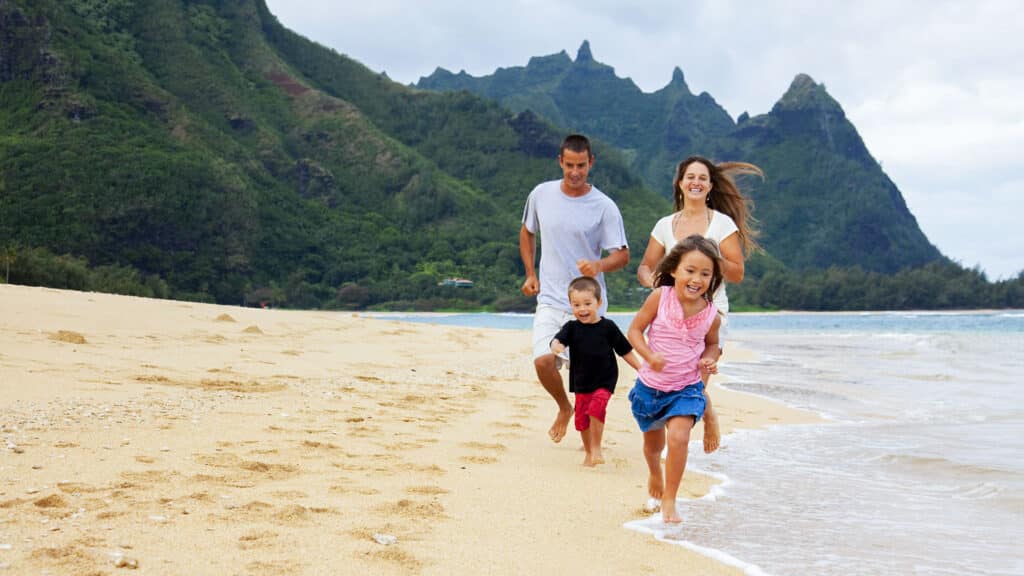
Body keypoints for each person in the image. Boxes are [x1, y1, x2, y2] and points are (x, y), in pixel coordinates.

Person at [636, 155, 762, 454]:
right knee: (672, 377)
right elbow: (645, 266)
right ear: (680, 184)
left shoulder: (721, 224)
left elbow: (738, 272)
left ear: (709, 186)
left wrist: (702, 257)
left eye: (702, 178)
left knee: (694, 381)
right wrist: (653, 281)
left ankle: (701, 420)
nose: (696, 182)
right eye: (690, 177)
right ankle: (701, 415)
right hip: (670, 314)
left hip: (710, 312)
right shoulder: (665, 225)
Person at [520, 133, 630, 443]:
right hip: (552, 300)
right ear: (560, 161)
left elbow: (622, 255)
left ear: (591, 162)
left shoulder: (604, 206)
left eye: (581, 165)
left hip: (589, 305)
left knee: (590, 383)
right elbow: (527, 232)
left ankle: (591, 448)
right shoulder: (541, 195)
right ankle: (563, 408)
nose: (575, 172)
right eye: (569, 165)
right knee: (543, 360)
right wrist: (530, 273)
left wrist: (598, 266)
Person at [627, 235, 723, 523]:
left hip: (686, 388)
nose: (696, 279)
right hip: (651, 388)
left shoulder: (711, 315)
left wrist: (710, 357)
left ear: (713, 278)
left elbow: (713, 344)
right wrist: (648, 355)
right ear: (674, 271)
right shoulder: (660, 297)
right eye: (690, 271)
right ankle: (655, 471)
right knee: (653, 447)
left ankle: (670, 499)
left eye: (705, 273)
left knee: (679, 437)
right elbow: (634, 331)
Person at [550, 277, 641, 466]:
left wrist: (642, 369)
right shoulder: (571, 328)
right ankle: (589, 452)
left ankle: (597, 447)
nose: (582, 309)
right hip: (582, 382)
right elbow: (558, 340)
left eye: (587, 303)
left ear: (599, 303)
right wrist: (556, 345)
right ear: (571, 305)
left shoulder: (608, 327)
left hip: (605, 379)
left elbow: (625, 351)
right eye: (576, 305)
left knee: (597, 407)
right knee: (582, 420)